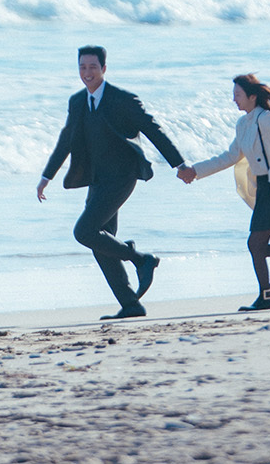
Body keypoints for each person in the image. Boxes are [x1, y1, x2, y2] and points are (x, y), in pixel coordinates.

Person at [38, 46, 187, 319]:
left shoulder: (122, 99)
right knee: (101, 243)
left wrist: (179, 164)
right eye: (82, 67)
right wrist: (47, 176)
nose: (87, 72)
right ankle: (131, 304)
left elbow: (153, 130)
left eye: (93, 67)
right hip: (96, 180)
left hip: (122, 176)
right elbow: (67, 139)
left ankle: (141, 259)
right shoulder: (78, 101)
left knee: (84, 231)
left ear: (104, 69)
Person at [177, 74, 270, 311]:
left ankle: (267, 296)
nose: (234, 100)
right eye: (233, 95)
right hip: (264, 189)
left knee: (255, 244)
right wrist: (195, 171)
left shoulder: (266, 119)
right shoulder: (243, 124)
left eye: (238, 95)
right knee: (256, 245)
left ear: (252, 96)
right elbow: (230, 157)